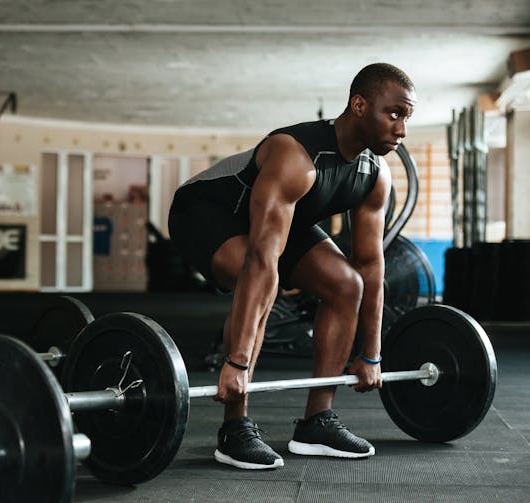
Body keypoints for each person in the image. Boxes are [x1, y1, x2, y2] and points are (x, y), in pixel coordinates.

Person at [168, 63, 416, 469]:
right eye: (394, 113)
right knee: (265, 281)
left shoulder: (374, 175)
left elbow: (371, 266)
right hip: (208, 212)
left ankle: (318, 422)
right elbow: (261, 261)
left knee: (346, 284)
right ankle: (234, 429)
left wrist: (372, 355)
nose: (402, 129)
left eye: (407, 117)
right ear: (358, 105)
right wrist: (237, 362)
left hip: (283, 219)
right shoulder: (296, 157)